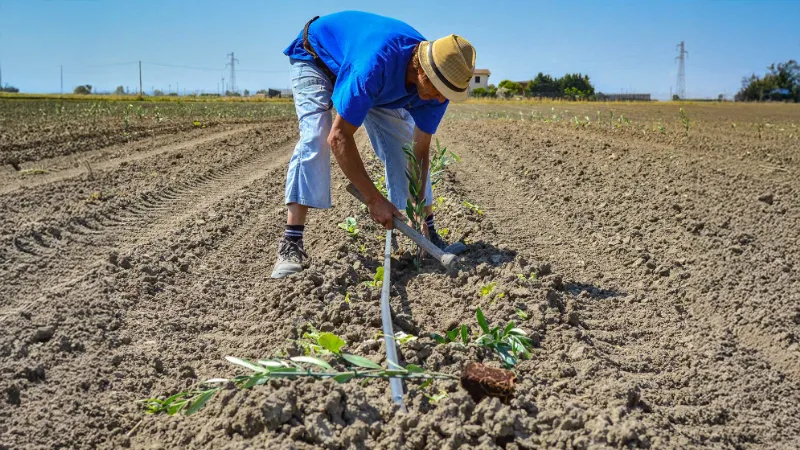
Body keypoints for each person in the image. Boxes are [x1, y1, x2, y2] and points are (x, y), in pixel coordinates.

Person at [272, 11, 476, 279]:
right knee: (316, 135)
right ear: (422, 71)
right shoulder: (375, 65)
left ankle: (430, 235)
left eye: (448, 94)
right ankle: (291, 243)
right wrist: (374, 200)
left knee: (403, 144)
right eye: (440, 91)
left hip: (377, 79)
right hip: (316, 58)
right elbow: (339, 137)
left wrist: (419, 218)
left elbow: (420, 152)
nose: (441, 100)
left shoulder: (438, 90)